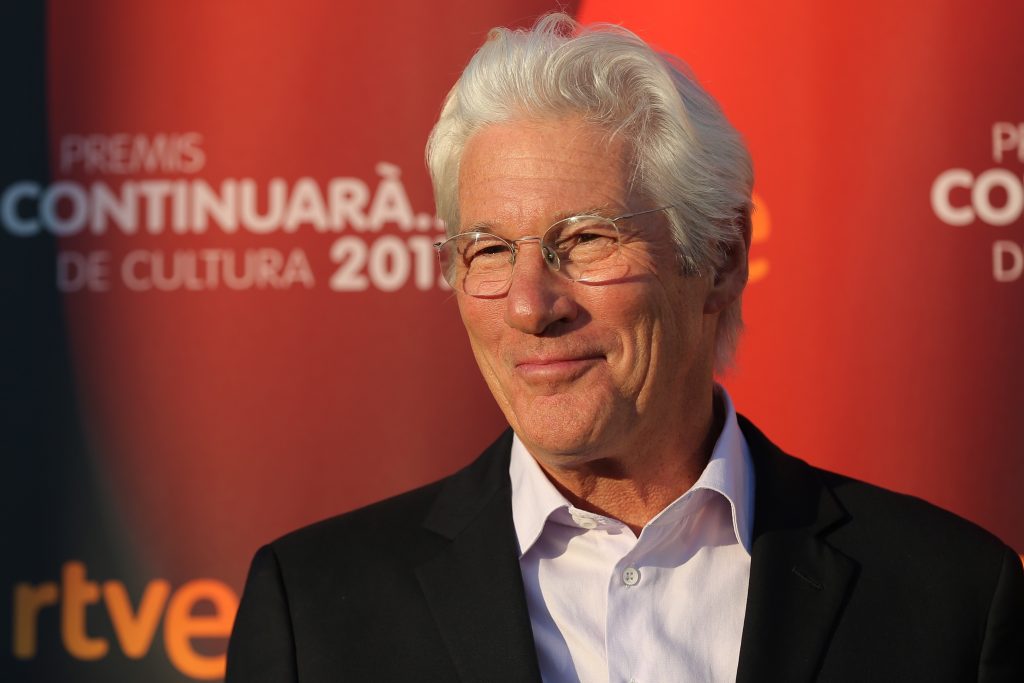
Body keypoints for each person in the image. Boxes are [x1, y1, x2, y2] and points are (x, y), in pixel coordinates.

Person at [226, 13, 1023, 682]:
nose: (532, 305)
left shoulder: (947, 598)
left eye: (587, 239)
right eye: (489, 250)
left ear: (719, 256)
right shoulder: (316, 610)